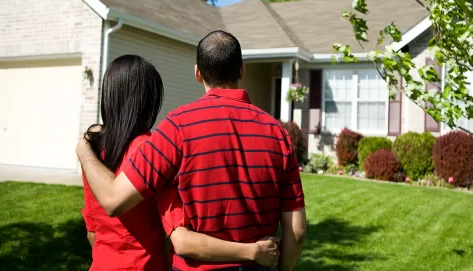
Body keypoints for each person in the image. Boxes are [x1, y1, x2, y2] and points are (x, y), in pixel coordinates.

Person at [77, 31, 306, 271]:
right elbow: (297, 231)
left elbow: (107, 210)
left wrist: (83, 148)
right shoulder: (277, 133)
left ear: (198, 72)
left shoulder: (177, 127)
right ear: (241, 70)